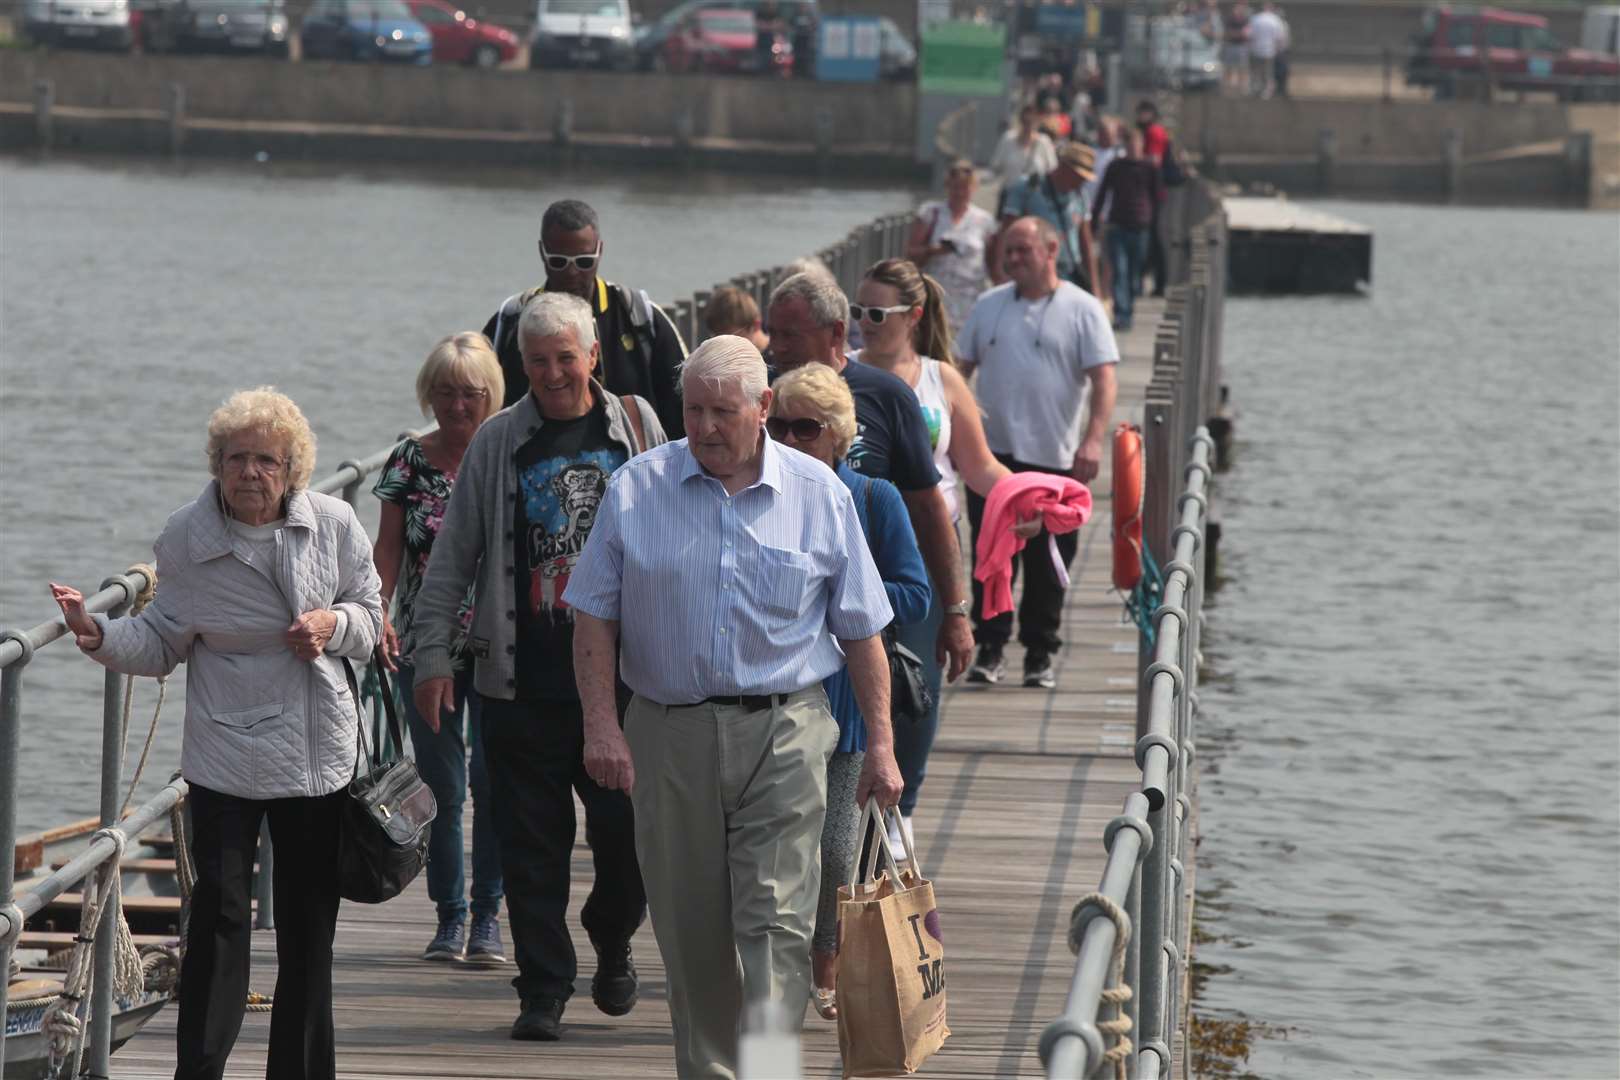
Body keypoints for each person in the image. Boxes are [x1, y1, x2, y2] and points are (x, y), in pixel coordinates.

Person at [563, 335, 902, 1080]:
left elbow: (863, 630)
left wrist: (881, 744)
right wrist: (600, 726)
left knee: (778, 928)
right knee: (691, 933)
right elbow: (592, 615)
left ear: (764, 408)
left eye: (723, 412)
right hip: (668, 730)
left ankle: (771, 1072)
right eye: (693, 411)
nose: (707, 428)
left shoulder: (822, 495)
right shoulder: (636, 488)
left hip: (786, 727)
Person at [50, 388, 383, 1080]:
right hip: (226, 753)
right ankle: (198, 1072)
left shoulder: (337, 523)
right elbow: (161, 639)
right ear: (216, 466)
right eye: (237, 459)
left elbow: (371, 618)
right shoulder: (186, 538)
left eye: (267, 459)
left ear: (293, 468)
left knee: (307, 935)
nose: (250, 472)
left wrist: (331, 626)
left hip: (318, 750)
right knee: (218, 926)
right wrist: (98, 632)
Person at [412, 293, 663, 1042]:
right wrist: (432, 656)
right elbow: (452, 557)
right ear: (521, 365)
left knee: (628, 842)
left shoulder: (639, 429)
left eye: (566, 358)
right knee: (530, 847)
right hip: (518, 682)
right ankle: (544, 987)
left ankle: (612, 936)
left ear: (593, 357)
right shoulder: (496, 441)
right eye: (537, 361)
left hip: (624, 687)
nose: (553, 373)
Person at [850, 258, 1039, 852]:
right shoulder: (840, 375)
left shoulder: (939, 378)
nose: (863, 324)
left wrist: (1026, 499)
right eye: (857, 313)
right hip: (863, 547)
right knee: (855, 679)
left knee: (919, 684)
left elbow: (980, 467)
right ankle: (852, 804)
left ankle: (903, 811)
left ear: (913, 316)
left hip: (930, 548)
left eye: (876, 314)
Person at [766, 363, 931, 1023]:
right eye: (777, 425)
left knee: (835, 850)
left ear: (837, 436)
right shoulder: (757, 495)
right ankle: (770, 967)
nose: (789, 438)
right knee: (776, 846)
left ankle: (825, 963)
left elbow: (915, 593)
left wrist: (842, 594)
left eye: (805, 428)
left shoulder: (873, 498)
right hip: (774, 706)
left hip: (846, 708)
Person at [765, 272, 976, 685]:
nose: (777, 347)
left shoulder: (887, 395)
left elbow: (927, 506)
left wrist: (954, 611)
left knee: (901, 730)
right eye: (773, 333)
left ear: (837, 333)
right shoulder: (760, 393)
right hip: (784, 631)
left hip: (885, 608)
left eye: (791, 335)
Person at [372, 332, 507, 965]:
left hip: (502, 641)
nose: (458, 407)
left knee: (496, 779)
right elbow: (389, 551)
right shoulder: (408, 460)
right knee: (444, 785)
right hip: (427, 643)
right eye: (446, 393)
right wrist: (374, 613)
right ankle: (451, 916)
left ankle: (490, 917)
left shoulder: (508, 450)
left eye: (471, 394)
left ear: (492, 396)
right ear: (430, 395)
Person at [955, 218, 1119, 689]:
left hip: (1055, 457)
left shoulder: (1082, 308)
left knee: (1049, 556)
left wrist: (1093, 439)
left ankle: (1040, 652)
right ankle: (990, 646)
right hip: (992, 458)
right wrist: (949, 434)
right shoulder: (989, 306)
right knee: (992, 553)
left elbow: (1104, 379)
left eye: (1023, 250)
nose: (1013, 260)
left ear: (1052, 250)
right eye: (1008, 251)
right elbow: (960, 371)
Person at [481, 198, 689, 436]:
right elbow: (474, 399)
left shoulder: (639, 317)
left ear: (600, 250)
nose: (572, 273)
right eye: (559, 262)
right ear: (542, 252)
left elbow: (685, 401)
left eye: (584, 262)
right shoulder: (510, 320)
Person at [991, 142, 1102, 297]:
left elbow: (1086, 242)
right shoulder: (1028, 189)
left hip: (1069, 272)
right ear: (1065, 168)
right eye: (1079, 176)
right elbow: (1006, 231)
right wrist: (1000, 271)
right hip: (1032, 273)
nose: (1082, 182)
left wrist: (1095, 286)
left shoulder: (1080, 196)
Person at [905, 158, 999, 335]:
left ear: (974, 189)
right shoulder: (930, 212)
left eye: (965, 188)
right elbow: (911, 252)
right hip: (937, 296)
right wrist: (933, 250)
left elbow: (993, 263)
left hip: (971, 299)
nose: (960, 193)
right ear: (947, 187)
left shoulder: (985, 221)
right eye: (955, 187)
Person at [1091, 128, 1164, 330]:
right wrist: (1094, 220)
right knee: (1120, 271)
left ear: (1141, 146)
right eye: (1129, 145)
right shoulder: (1116, 166)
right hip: (1117, 225)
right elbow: (1102, 193)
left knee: (1134, 274)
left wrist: (1154, 222)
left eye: (1135, 145)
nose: (1132, 149)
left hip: (1141, 226)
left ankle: (1129, 307)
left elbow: (1158, 196)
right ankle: (1122, 315)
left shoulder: (1150, 168)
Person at [1135, 100, 1172, 297]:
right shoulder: (1152, 131)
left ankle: (1160, 284)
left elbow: (1154, 161)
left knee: (1154, 240)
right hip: (1151, 192)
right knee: (1152, 239)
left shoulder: (1154, 132)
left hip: (1153, 193)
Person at [989, 103, 1059, 188]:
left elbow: (1052, 170)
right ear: (1021, 121)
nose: (1028, 126)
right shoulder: (1008, 139)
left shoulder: (1044, 142)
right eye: (1026, 121)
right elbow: (995, 167)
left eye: (1032, 122)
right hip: (1011, 193)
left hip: (1035, 195)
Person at [702, 285, 770, 353]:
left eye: (732, 340)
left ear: (756, 325)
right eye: (718, 341)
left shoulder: (777, 357)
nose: (725, 349)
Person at [1246, 1, 1287, 97]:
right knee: (1268, 72)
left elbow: (1249, 34)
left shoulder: (1255, 18)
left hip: (1256, 49)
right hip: (1269, 50)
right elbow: (1280, 37)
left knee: (1256, 71)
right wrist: (1279, 49)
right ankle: (1267, 91)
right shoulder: (1275, 20)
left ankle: (1256, 88)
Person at [1222, 0, 1251, 94]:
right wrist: (1238, 34)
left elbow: (1246, 33)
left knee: (1242, 68)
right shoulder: (1229, 19)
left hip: (1242, 47)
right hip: (1230, 46)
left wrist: (1239, 34)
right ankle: (1227, 89)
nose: (1240, 8)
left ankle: (1242, 88)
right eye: (1238, 6)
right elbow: (1228, 33)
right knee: (1229, 68)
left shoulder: (1246, 19)